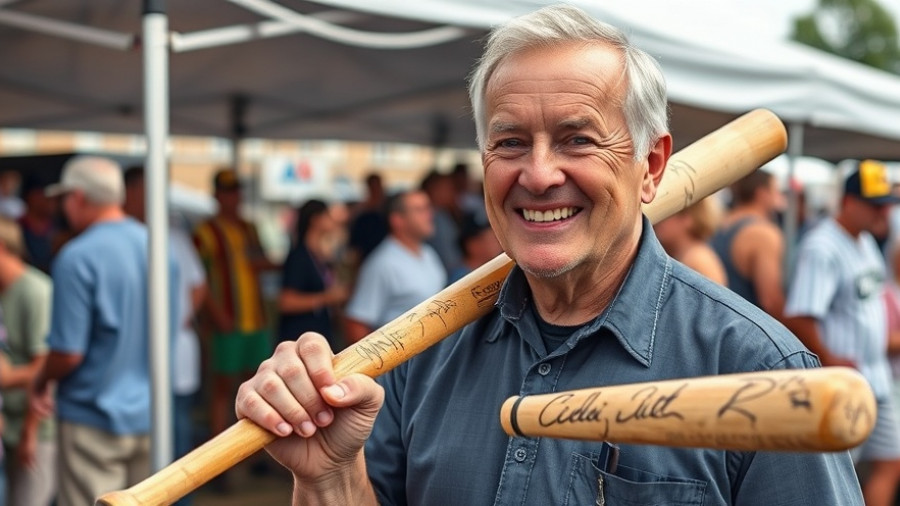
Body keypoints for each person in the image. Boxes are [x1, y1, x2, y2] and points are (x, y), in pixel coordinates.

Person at [235, 5, 863, 505]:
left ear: (651, 166)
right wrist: (328, 476)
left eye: (576, 139)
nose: (537, 175)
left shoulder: (757, 368)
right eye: (510, 142)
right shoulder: (419, 356)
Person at [27, 156, 178, 506]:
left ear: (77, 197)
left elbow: (68, 352)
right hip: (151, 413)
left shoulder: (77, 256)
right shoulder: (160, 248)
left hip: (92, 418)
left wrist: (40, 380)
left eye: (64, 198)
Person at [785, 160, 900, 506]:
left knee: (891, 460)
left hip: (876, 376)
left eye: (887, 205)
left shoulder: (864, 241)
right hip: (842, 381)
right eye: (876, 205)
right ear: (849, 203)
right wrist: (832, 359)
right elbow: (801, 315)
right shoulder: (822, 246)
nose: (884, 213)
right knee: (835, 477)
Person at [122, 166, 207, 506]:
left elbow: (198, 287)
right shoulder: (127, 235)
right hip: (136, 363)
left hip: (174, 357)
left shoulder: (173, 236)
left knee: (176, 441)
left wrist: (175, 321)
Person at [192, 169, 275, 442]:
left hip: (255, 320)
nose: (234, 197)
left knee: (258, 386)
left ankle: (254, 454)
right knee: (222, 388)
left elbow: (260, 261)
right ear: (217, 195)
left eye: (236, 191)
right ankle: (219, 461)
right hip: (226, 321)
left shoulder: (249, 227)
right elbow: (196, 279)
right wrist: (216, 315)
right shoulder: (205, 232)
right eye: (228, 191)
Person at [342, 189, 445, 344]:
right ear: (397, 220)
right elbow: (356, 323)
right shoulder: (382, 264)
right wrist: (383, 366)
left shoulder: (429, 254)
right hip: (405, 364)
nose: (429, 215)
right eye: (419, 210)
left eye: (428, 208)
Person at [0, 217, 55, 506]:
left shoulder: (36, 291)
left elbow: (46, 367)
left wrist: (29, 434)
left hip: (35, 428)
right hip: (8, 426)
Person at [710, 169, 788, 319]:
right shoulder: (763, 233)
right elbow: (770, 300)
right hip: (746, 330)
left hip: (717, 322)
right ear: (761, 193)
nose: (778, 198)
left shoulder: (719, 223)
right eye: (775, 191)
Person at [277, 199, 349, 349]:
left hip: (320, 335)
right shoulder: (299, 257)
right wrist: (327, 298)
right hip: (300, 339)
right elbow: (286, 302)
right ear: (315, 219)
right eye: (328, 215)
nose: (332, 220)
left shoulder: (320, 255)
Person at [653, 196, 727, 284]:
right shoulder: (688, 255)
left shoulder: (698, 259)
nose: (660, 220)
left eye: (669, 214)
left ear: (688, 218)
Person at [17, 174, 60, 275]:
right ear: (32, 196)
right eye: (46, 196)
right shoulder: (16, 229)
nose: (52, 202)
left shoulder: (59, 229)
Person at [447, 212, 503, 283]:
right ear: (472, 246)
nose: (497, 243)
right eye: (490, 240)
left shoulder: (489, 270)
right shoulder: (461, 279)